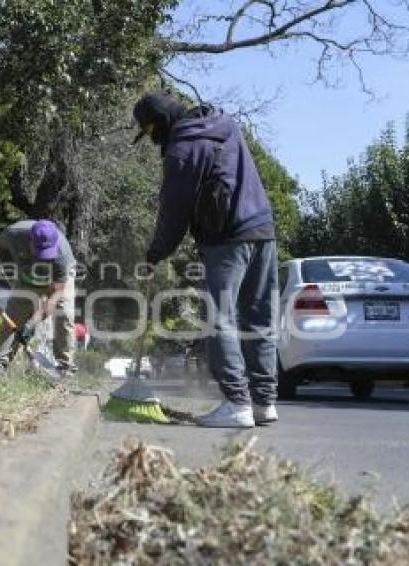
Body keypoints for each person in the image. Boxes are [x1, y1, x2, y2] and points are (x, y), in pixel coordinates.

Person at [133, 91, 278, 428]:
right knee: (259, 317)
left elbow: (174, 212)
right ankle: (263, 402)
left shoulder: (182, 150)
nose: (153, 139)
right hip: (262, 229)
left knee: (219, 317)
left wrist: (156, 253)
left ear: (160, 123)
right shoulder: (224, 123)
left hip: (226, 238)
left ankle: (236, 404)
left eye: (151, 130)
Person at [0, 219, 77, 376]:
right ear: (30, 240)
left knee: (63, 312)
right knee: (15, 313)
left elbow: (53, 298)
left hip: (57, 278)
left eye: (47, 252)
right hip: (27, 274)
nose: (43, 257)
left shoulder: (62, 255)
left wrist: (30, 325)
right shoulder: (14, 234)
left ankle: (65, 367)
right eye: (39, 251)